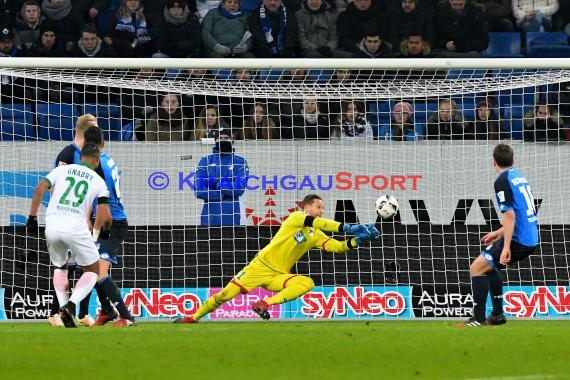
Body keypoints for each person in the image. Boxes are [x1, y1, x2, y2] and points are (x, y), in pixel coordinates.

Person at [174, 194, 380, 323]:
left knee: (307, 283)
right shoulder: (296, 218)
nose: (321, 211)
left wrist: (357, 240)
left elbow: (336, 247)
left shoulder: (315, 235)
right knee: (225, 295)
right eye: (319, 207)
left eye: (322, 208)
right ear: (307, 207)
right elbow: (323, 224)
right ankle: (193, 317)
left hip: (279, 276)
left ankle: (266, 303)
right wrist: (349, 227)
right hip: (259, 266)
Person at [26, 142, 112, 328]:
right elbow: (105, 214)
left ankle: (63, 312)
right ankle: (71, 306)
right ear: (97, 160)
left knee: (60, 267)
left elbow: (39, 188)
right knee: (93, 270)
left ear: (80, 157)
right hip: (76, 228)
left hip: (53, 226)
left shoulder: (61, 170)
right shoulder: (99, 181)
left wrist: (32, 218)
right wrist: (106, 229)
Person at [462, 143, 539, 326]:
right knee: (489, 266)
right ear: (513, 160)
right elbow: (521, 213)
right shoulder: (518, 176)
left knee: (476, 268)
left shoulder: (502, 181)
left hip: (518, 239)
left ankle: (478, 318)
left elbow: (510, 214)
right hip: (529, 236)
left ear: (493, 161)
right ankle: (497, 314)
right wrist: (498, 233)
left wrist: (505, 247)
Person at [44, 113, 98, 327]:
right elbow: (57, 189)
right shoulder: (68, 154)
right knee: (66, 265)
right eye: (94, 128)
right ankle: (58, 312)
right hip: (68, 218)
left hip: (81, 217)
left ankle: (81, 313)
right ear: (86, 131)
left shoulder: (88, 154)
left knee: (85, 265)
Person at [83, 125, 136, 326]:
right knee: (89, 268)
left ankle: (127, 317)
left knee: (99, 271)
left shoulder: (98, 169)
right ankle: (106, 311)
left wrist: (94, 234)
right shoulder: (107, 159)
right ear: (103, 144)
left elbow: (104, 210)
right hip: (108, 220)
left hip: (112, 223)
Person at [194, 129, 249, 226]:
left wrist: (216, 185)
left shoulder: (240, 162)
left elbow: (239, 188)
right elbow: (199, 190)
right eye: (220, 138)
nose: (223, 140)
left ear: (232, 140)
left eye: (226, 138)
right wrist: (222, 195)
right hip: (209, 218)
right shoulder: (205, 161)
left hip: (232, 217)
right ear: (216, 141)